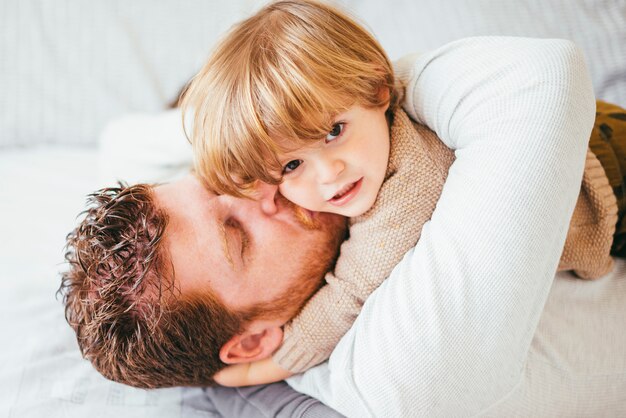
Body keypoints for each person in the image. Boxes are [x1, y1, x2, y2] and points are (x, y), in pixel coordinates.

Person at [59, 24, 626, 418]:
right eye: (240, 235)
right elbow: (542, 74)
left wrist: (262, 117)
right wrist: (343, 89)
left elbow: (121, 142)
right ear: (254, 341)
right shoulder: (397, 370)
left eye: (217, 178)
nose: (264, 188)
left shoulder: (271, 189)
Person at [180, 0, 625, 386]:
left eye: (334, 131)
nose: (328, 173)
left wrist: (266, 368)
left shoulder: (411, 175)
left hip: (610, 176)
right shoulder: (360, 158)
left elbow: (349, 295)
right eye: (292, 165)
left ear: (376, 89)